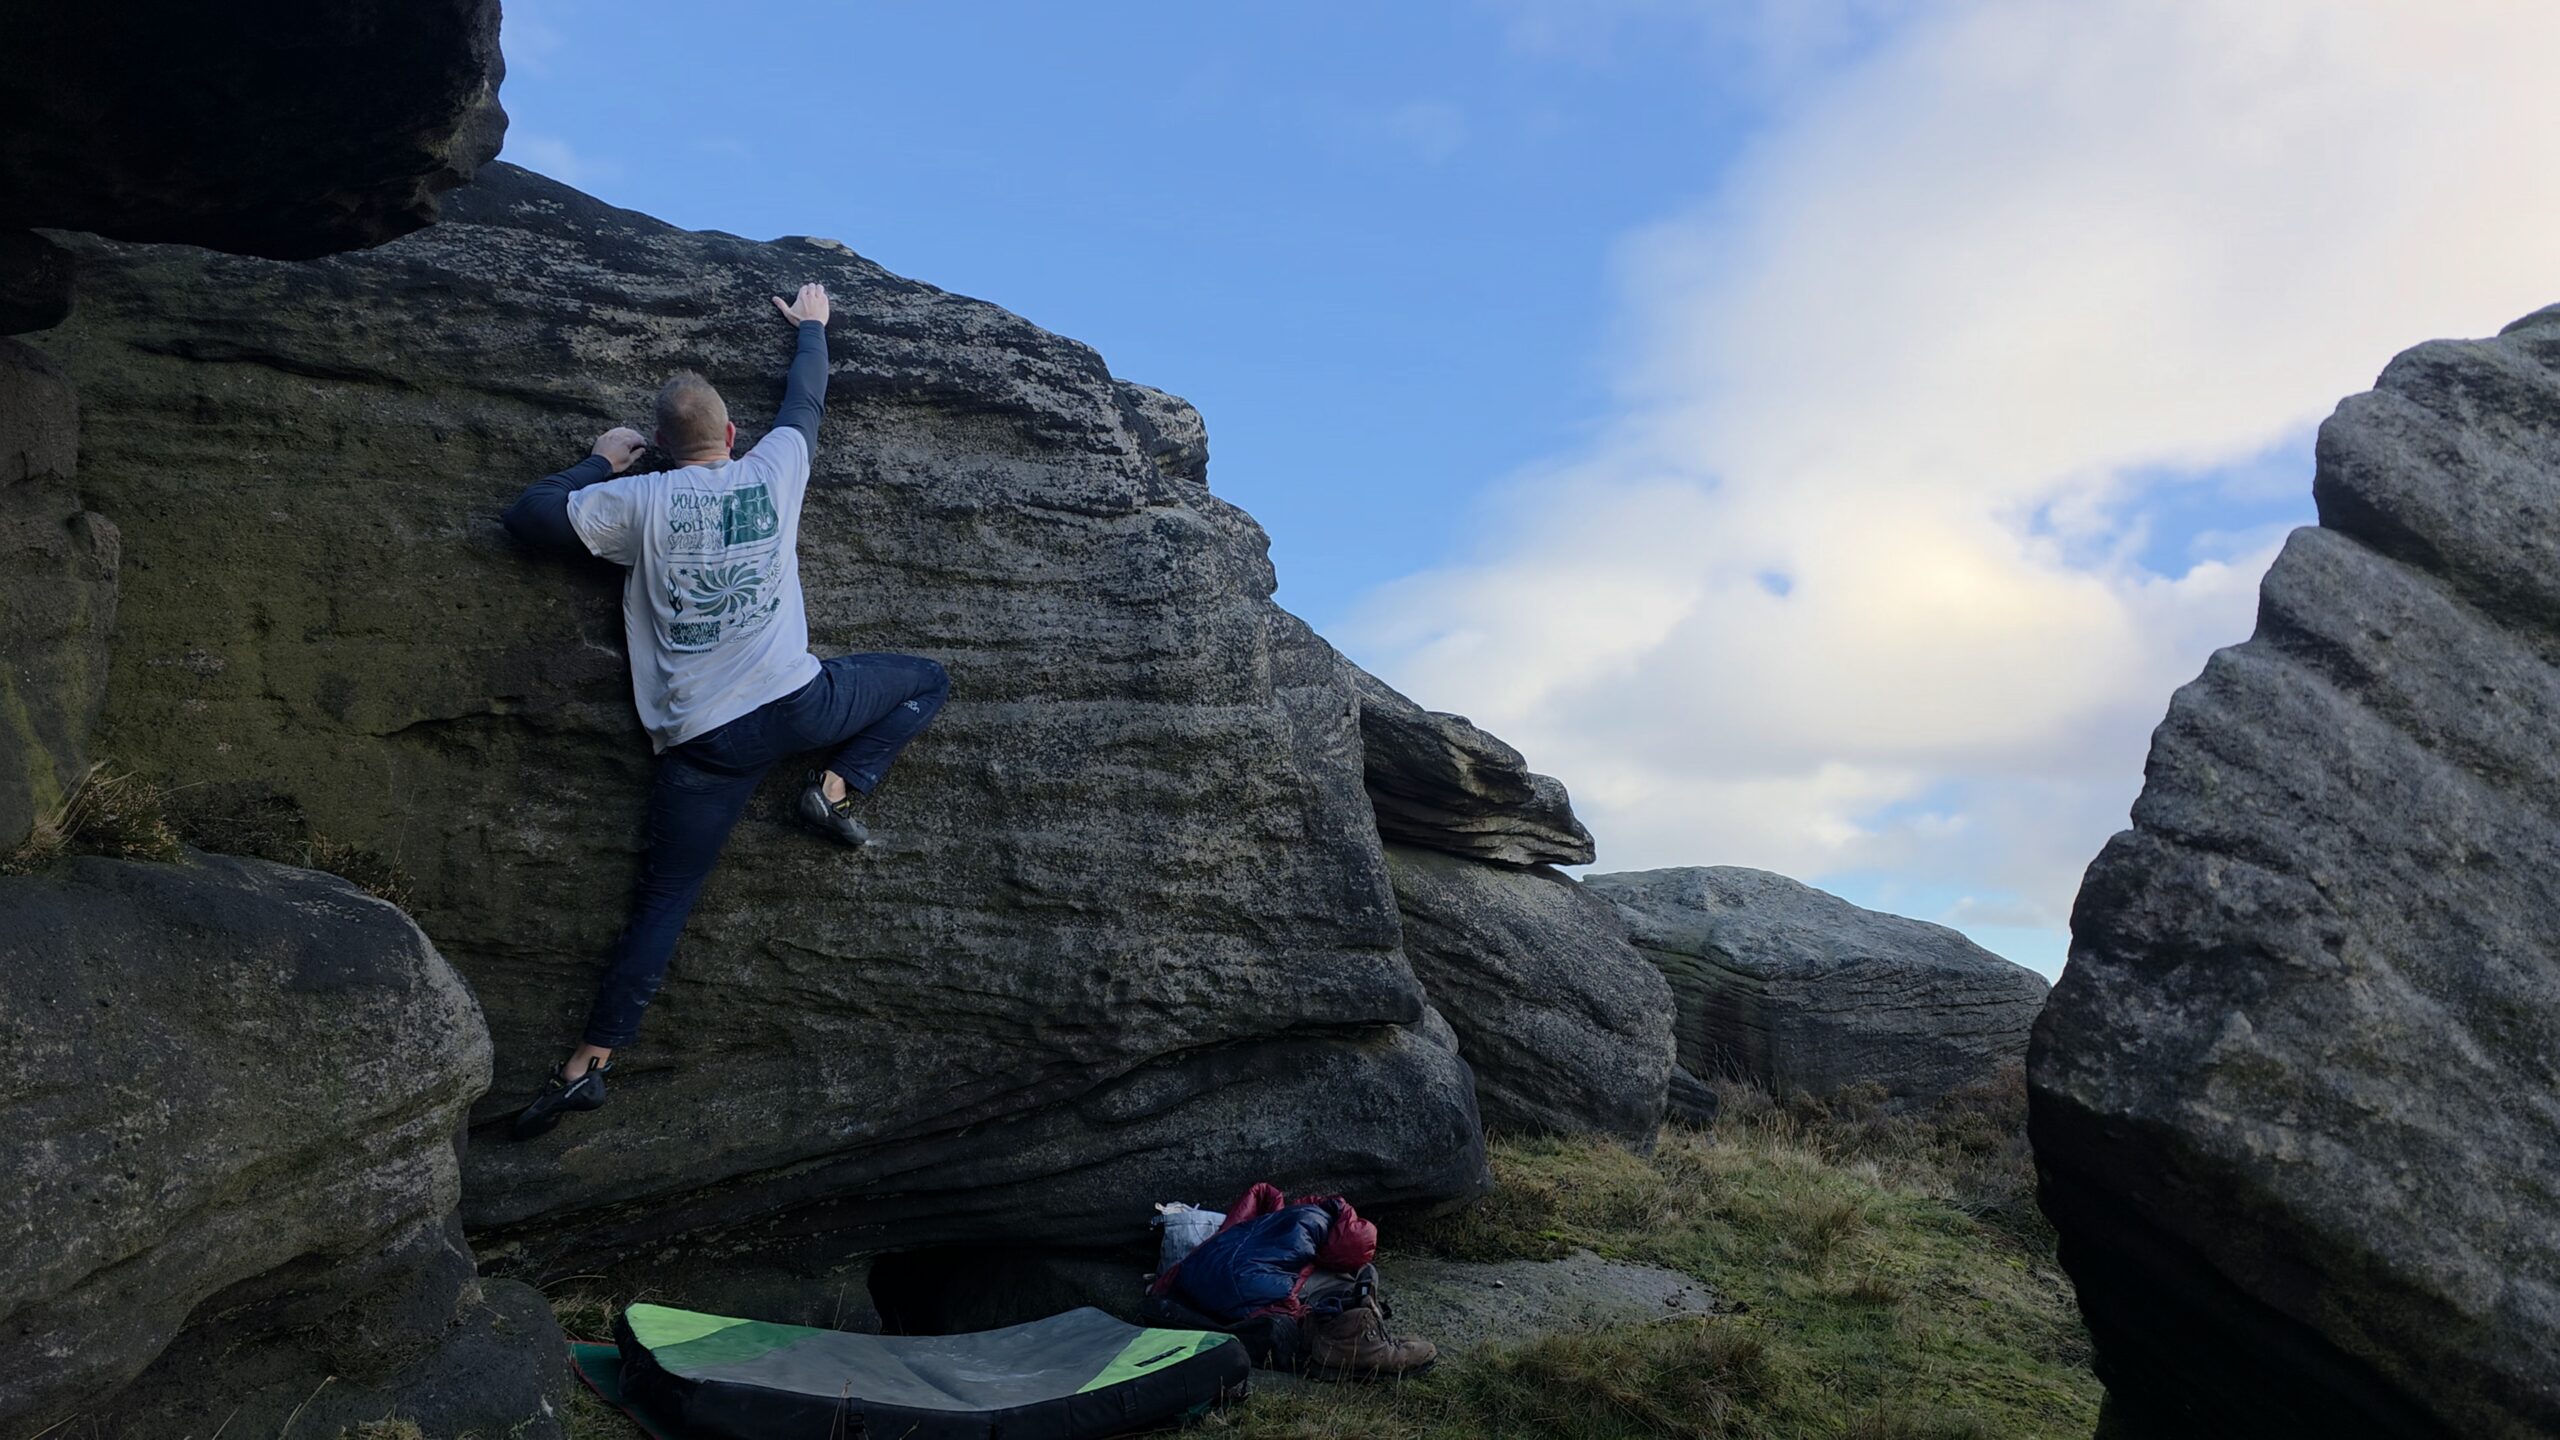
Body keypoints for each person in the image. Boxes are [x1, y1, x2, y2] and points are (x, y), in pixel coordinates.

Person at [498, 282, 949, 1140]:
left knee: (665, 901)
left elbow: (528, 519)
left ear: (661, 450)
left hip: (702, 743)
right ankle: (837, 788)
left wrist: (600, 460)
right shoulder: (773, 469)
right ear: (732, 436)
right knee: (925, 678)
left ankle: (587, 1066)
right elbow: (805, 401)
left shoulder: (637, 503)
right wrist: (812, 328)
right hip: (798, 705)